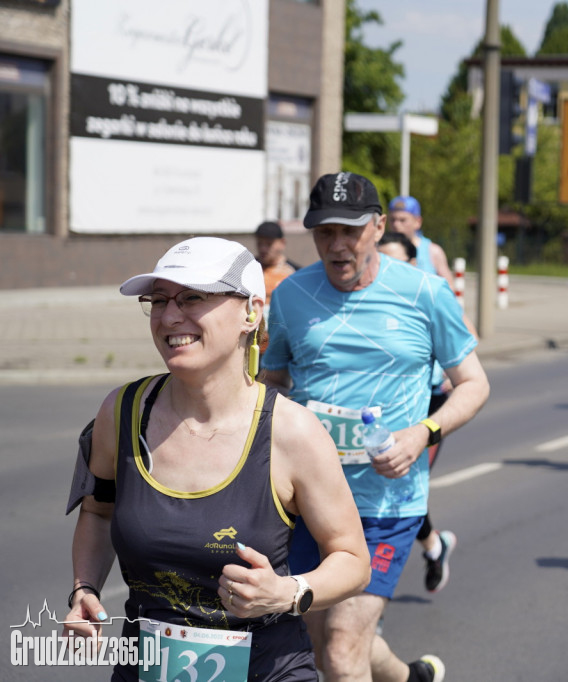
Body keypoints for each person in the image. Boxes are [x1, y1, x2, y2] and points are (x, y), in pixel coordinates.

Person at [63, 237, 370, 681]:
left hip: (269, 670)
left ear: (251, 311)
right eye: (159, 300)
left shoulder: (292, 432)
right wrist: (85, 587)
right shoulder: (123, 412)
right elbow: (97, 512)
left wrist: (288, 592)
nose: (170, 317)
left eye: (192, 298)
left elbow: (353, 560)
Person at [262, 172, 490, 682]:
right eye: (325, 233)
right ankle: (412, 679)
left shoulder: (425, 293)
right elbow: (272, 381)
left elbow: (474, 384)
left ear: (378, 226)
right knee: (326, 648)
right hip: (311, 501)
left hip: (388, 504)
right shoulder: (291, 297)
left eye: (351, 230)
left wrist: (422, 434)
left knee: (342, 652)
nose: (337, 245)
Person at [377, 230, 459, 594]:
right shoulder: (369, 303)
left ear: (413, 264)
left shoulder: (430, 298)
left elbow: (467, 358)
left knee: (401, 479)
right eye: (383, 261)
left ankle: (431, 546)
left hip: (429, 403)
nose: (389, 270)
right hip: (382, 412)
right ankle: (432, 545)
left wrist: (451, 377)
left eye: (398, 262)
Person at [387, 195, 456, 288]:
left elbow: (449, 288)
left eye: (402, 220)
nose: (396, 224)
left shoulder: (432, 251)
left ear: (417, 222)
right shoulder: (381, 250)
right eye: (392, 220)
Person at [255, 220, 302, 301]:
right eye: (260, 243)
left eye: (268, 244)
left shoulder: (295, 273)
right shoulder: (248, 268)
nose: (263, 249)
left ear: (282, 243)